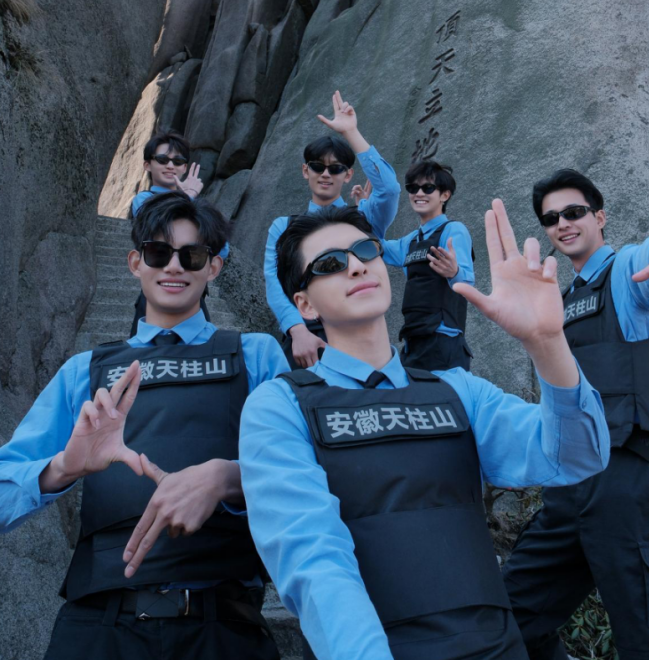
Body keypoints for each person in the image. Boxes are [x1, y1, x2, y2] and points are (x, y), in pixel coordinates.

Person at [239, 203, 611, 660]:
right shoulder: (280, 406)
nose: (356, 266)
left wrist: (547, 343)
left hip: (497, 646)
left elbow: (578, 455)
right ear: (305, 305)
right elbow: (313, 562)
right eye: (330, 264)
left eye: (365, 251)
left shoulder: (459, 390)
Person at [0, 192, 287, 660]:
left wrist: (227, 477)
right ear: (135, 263)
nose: (174, 266)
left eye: (191, 256)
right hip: (99, 626)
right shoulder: (85, 370)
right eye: (158, 253)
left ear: (213, 268)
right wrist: (63, 468)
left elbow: (301, 470)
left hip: (224, 622)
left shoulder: (256, 354)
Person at [503, 169, 649, 660]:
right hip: (568, 488)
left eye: (574, 212)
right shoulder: (557, 301)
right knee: (505, 623)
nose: (562, 224)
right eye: (551, 218)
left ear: (600, 216)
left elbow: (648, 261)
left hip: (630, 483)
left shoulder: (626, 276)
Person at [264, 90, 401, 370]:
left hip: (362, 332)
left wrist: (352, 132)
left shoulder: (363, 218)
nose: (326, 174)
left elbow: (389, 190)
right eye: (318, 167)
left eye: (336, 169)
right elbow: (274, 280)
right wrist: (297, 330)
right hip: (308, 336)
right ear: (306, 171)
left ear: (348, 175)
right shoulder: (284, 226)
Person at [381, 160, 474, 371]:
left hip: (443, 341)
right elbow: (376, 246)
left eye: (428, 188)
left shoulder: (454, 230)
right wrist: (368, 209)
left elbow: (467, 282)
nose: (419, 193)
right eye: (413, 188)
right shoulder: (411, 240)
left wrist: (454, 272)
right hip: (412, 341)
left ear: (444, 195)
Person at [129, 132, 225, 336]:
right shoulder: (144, 199)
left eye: (178, 161)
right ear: (147, 165)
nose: (170, 166)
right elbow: (153, 223)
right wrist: (188, 197)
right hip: (156, 296)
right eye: (162, 159)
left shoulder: (197, 205)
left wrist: (190, 199)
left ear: (185, 167)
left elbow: (222, 249)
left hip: (192, 297)